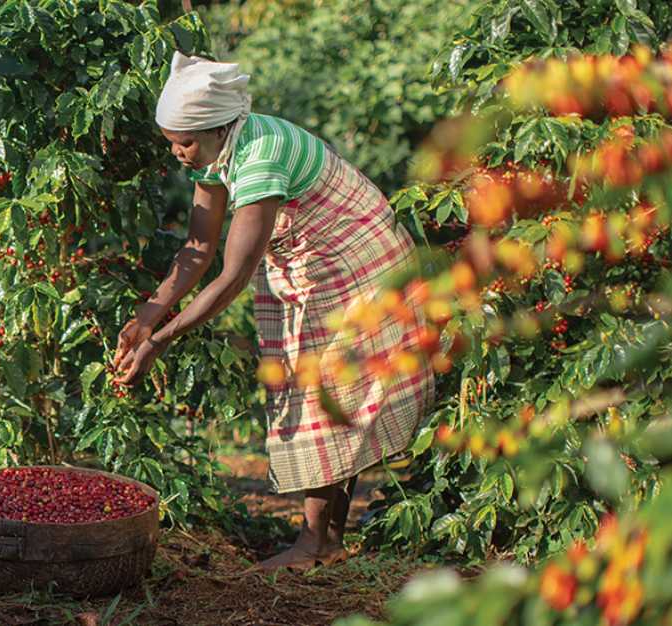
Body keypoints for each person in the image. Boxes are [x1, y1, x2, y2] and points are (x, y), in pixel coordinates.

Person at [112, 52, 435, 570]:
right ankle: (325, 541)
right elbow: (198, 247)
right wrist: (149, 313)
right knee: (324, 393)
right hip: (317, 262)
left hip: (359, 264)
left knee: (323, 392)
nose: (177, 152)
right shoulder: (218, 154)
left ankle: (315, 544)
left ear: (219, 127)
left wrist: (159, 340)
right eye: (171, 141)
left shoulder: (261, 155)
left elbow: (232, 276)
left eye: (185, 141)